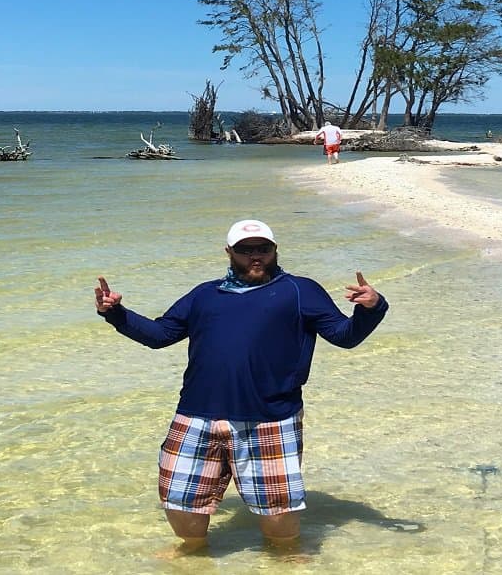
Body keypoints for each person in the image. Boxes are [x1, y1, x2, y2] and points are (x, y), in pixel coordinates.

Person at [93, 219, 388, 555]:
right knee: (179, 500)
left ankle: (285, 557)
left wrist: (370, 308)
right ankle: (193, 554)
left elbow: (344, 336)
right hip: (196, 414)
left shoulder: (300, 290)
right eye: (246, 250)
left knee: (278, 511)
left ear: (276, 250)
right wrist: (116, 313)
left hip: (269, 418)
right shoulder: (205, 294)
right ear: (229, 252)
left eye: (263, 248)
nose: (255, 256)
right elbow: (160, 335)